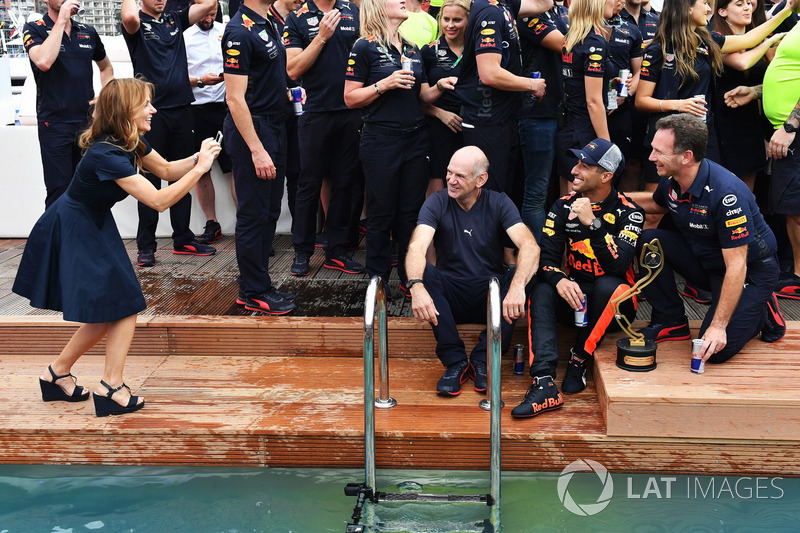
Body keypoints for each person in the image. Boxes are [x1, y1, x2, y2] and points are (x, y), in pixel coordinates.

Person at [12, 78, 222, 416]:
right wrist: (200, 169)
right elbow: (158, 200)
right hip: (75, 227)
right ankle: (111, 386)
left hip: (90, 223)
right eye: (146, 104)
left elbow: (167, 169)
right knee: (123, 304)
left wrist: (200, 156)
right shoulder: (106, 154)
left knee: (110, 307)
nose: (153, 110)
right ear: (125, 110)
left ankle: (56, 375)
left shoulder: (128, 141)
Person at [628, 114, 784, 366]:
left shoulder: (726, 195)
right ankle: (670, 320)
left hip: (749, 273)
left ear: (686, 156)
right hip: (709, 263)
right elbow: (655, 205)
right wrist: (604, 201)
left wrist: (718, 326)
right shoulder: (672, 178)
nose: (651, 157)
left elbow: (737, 266)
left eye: (659, 151)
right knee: (650, 239)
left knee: (715, 350)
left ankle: (762, 309)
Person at [512, 138, 643, 417]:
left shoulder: (630, 212)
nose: (575, 170)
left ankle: (579, 358)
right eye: (577, 163)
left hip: (614, 306)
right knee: (543, 288)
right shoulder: (561, 206)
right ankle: (544, 381)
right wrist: (559, 280)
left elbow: (618, 266)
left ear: (606, 176)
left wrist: (592, 224)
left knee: (611, 285)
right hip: (573, 297)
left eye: (586, 166)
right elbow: (546, 261)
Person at [405, 146, 539, 396]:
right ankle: (455, 362)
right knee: (425, 272)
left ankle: (482, 360)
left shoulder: (499, 202)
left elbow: (529, 245)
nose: (451, 180)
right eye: (448, 173)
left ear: (481, 180)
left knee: (524, 272)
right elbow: (416, 246)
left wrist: (518, 286)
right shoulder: (437, 200)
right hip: (450, 296)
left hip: (491, 296)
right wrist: (417, 286)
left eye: (460, 176)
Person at [344, 0, 449, 296]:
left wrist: (442, 85)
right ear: (378, 6)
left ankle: (409, 275)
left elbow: (424, 95)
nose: (404, 1)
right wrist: (384, 84)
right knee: (381, 213)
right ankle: (377, 279)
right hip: (381, 140)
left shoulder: (412, 48)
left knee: (411, 213)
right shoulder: (363, 46)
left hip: (416, 139)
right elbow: (350, 98)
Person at [635, 0, 797, 193]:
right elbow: (641, 101)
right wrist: (678, 105)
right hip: (666, 137)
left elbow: (748, 40)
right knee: (658, 204)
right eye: (704, 3)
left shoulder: (704, 40)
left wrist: (786, 12)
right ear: (687, 8)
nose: (709, 9)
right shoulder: (658, 49)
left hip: (702, 136)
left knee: (702, 197)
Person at [121, 0, 217, 267]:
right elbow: (129, 15)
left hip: (183, 110)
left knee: (183, 176)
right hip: (150, 114)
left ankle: (183, 239)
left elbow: (209, 4)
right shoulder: (136, 23)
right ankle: (146, 246)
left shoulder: (175, 19)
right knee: (149, 181)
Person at [223, 0, 300, 314]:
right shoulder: (238, 31)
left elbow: (265, 75)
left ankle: (256, 285)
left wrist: (287, 92)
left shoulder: (267, 21)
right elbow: (234, 98)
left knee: (269, 211)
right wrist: (256, 149)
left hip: (275, 123)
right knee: (254, 214)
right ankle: (254, 290)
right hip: (253, 130)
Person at [284, 0, 365, 277]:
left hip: (350, 110)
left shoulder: (353, 11)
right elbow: (293, 70)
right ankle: (302, 252)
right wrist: (320, 37)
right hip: (315, 111)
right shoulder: (297, 17)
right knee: (309, 183)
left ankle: (337, 249)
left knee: (345, 182)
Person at [23, 0, 113, 209]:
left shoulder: (87, 32)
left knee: (88, 188)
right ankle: (56, 241)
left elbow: (106, 67)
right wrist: (62, 19)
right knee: (59, 190)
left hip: (87, 123)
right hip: (54, 124)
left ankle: (84, 240)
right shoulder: (35, 29)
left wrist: (105, 94)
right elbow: (44, 61)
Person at [455, 0, 550, 195]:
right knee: (487, 197)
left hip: (504, 119)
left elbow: (544, 4)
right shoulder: (489, 11)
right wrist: (531, 85)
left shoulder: (504, 4)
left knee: (502, 195)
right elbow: (489, 73)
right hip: (486, 120)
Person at [712, 0, 784, 192]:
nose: (747, 7)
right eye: (738, 4)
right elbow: (742, 63)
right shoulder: (717, 37)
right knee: (725, 189)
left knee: (747, 190)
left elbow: (773, 76)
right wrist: (770, 39)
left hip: (751, 121)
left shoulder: (758, 39)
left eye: (748, 3)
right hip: (724, 122)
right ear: (722, 11)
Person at [184, 1, 235, 244]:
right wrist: (200, 81)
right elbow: (177, 76)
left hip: (227, 107)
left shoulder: (226, 32)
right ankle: (211, 223)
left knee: (235, 166)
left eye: (212, 13)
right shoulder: (183, 37)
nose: (208, 17)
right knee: (201, 168)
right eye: (205, 14)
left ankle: (246, 225)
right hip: (197, 108)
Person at [555, 0, 617, 188]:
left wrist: (609, 83)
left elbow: (578, 83)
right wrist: (607, 145)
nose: (615, 2)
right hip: (584, 130)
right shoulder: (594, 41)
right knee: (582, 196)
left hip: (569, 125)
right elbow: (593, 101)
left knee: (568, 194)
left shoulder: (573, 38)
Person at [763, 18, 800, 299]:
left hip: (793, 132)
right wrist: (754, 92)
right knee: (792, 208)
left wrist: (790, 126)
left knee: (797, 211)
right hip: (790, 131)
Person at [420, 0, 470, 198]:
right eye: (446, 19)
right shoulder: (428, 51)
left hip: (470, 126)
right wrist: (440, 114)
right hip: (437, 127)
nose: (450, 25)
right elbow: (416, 98)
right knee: (437, 188)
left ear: (469, 20)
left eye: (457, 20)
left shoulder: (478, 51)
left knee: (466, 184)